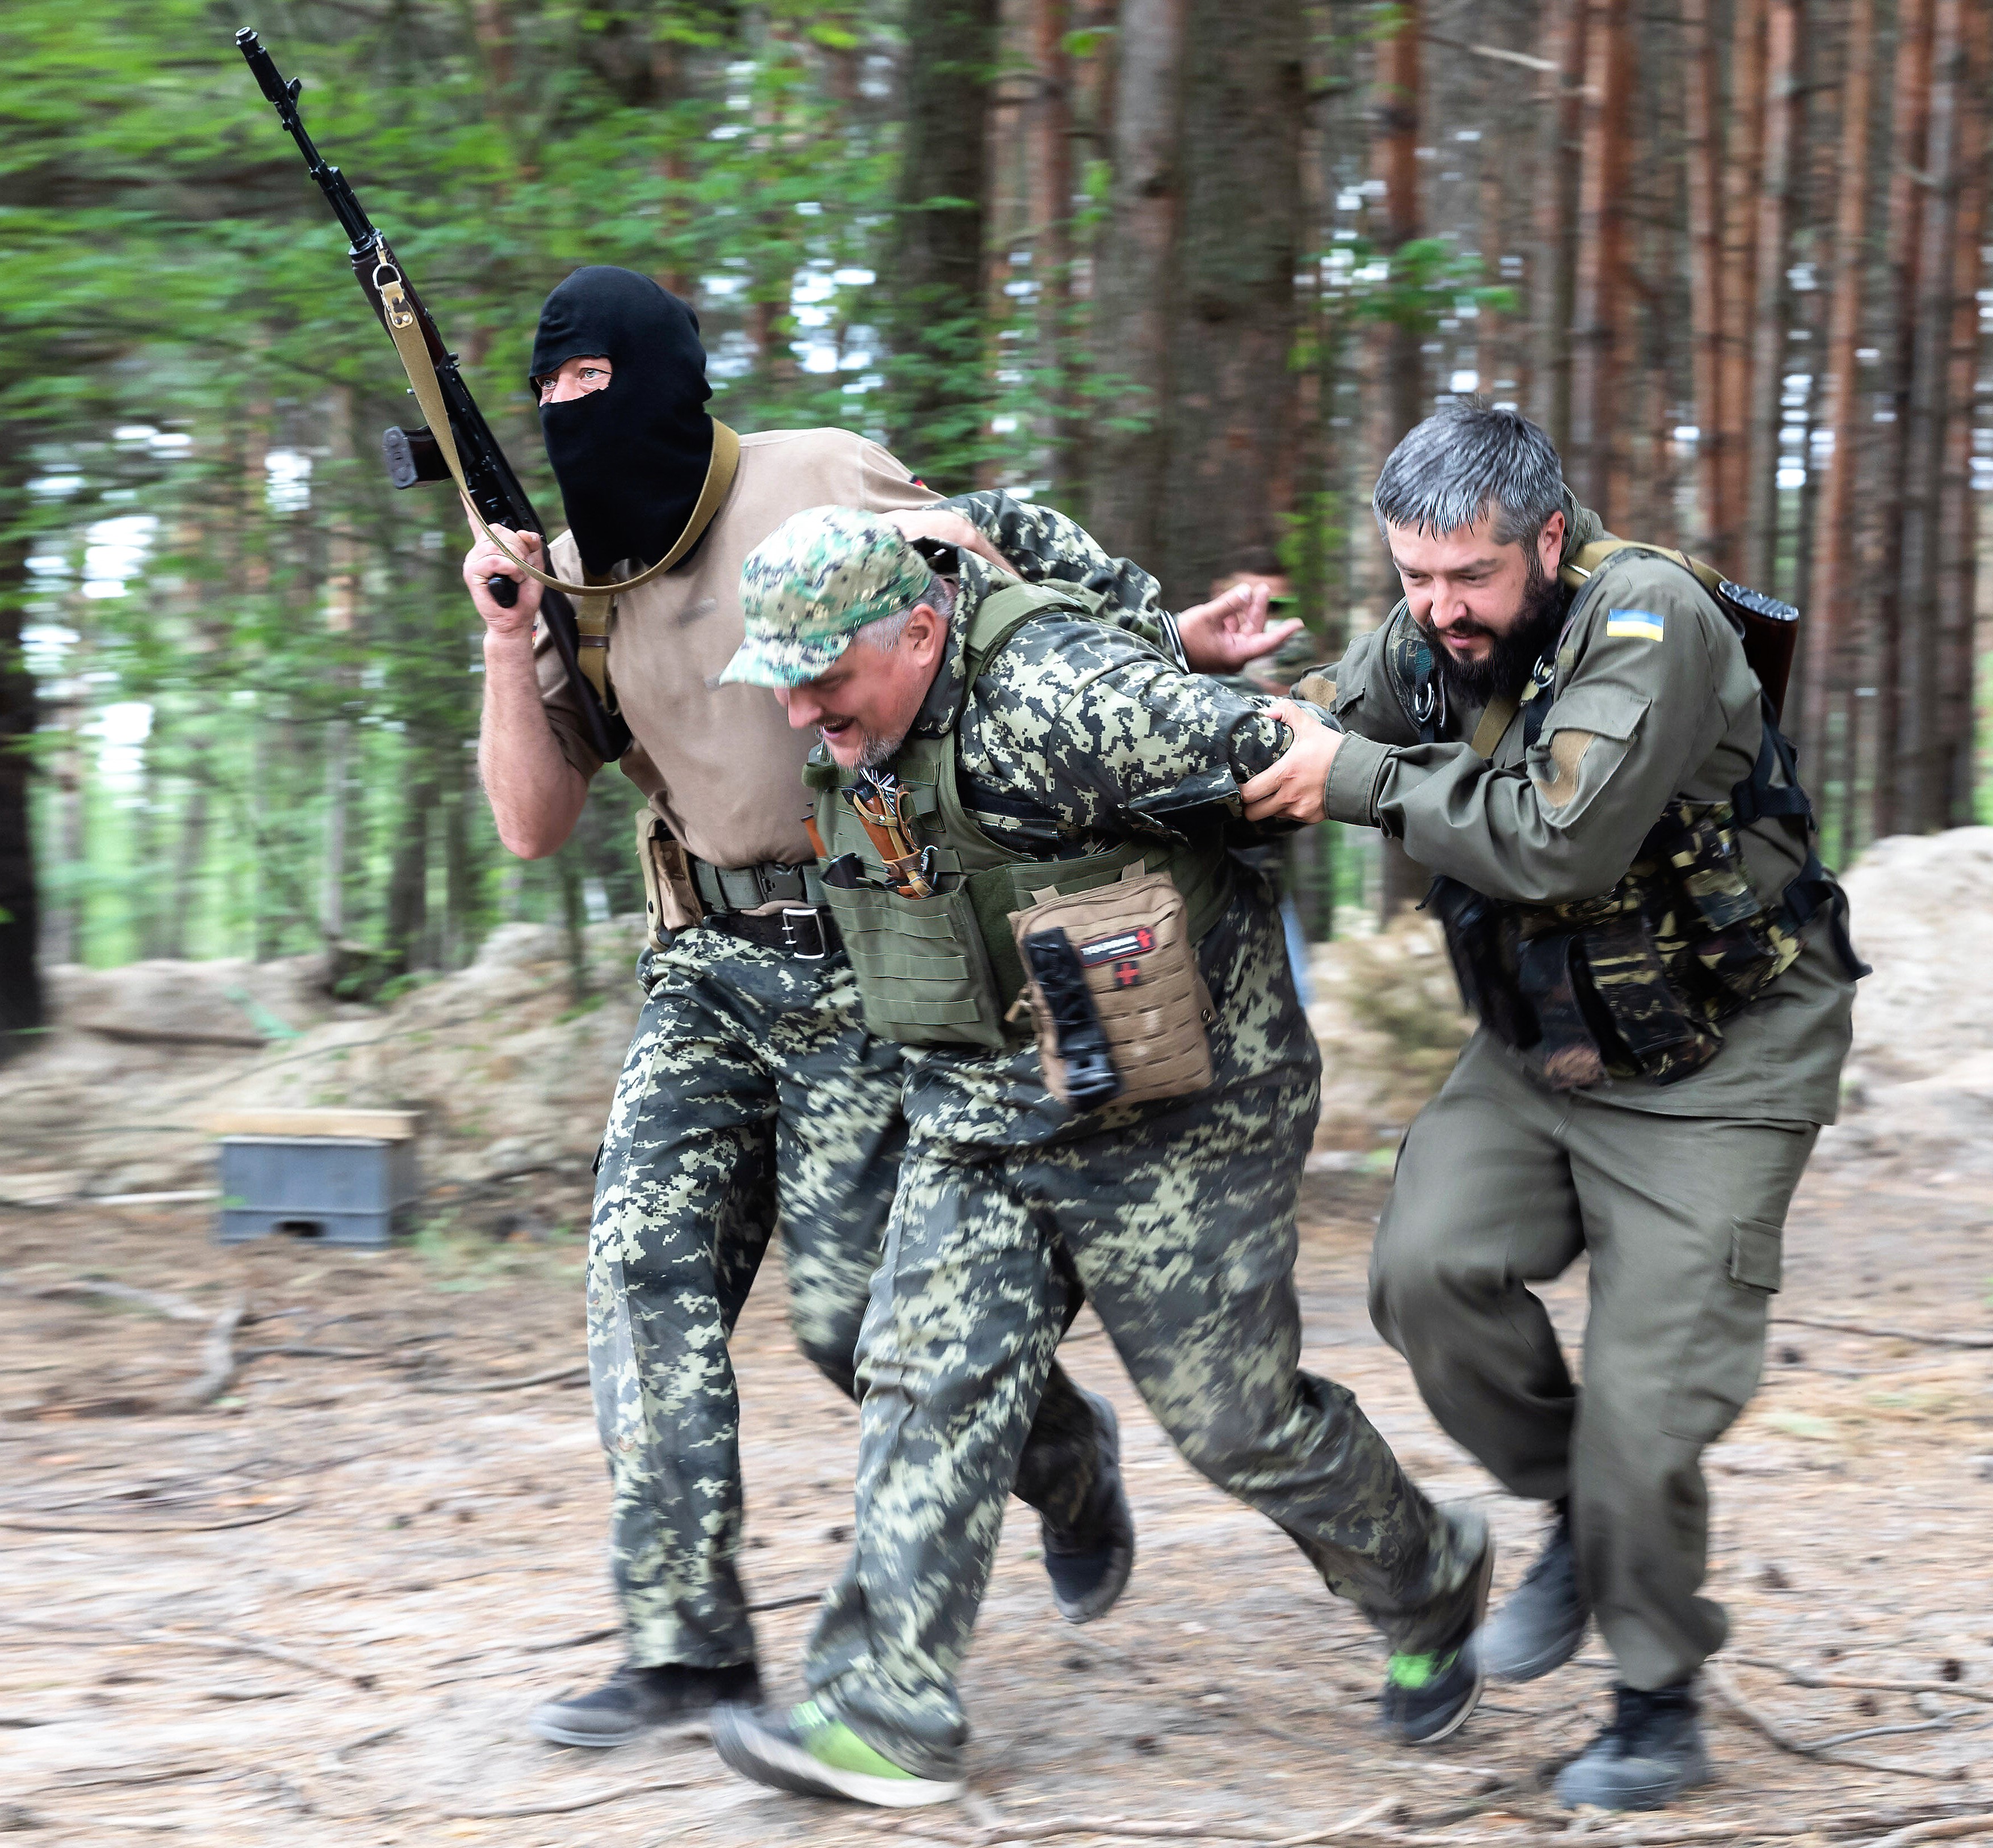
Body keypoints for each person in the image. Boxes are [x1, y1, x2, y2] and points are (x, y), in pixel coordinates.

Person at [466, 266, 1201, 1749]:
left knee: (850, 1313)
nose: (590, 452)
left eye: (611, 408)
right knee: (640, 1277)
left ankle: (1063, 1454)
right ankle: (687, 1648)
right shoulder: (566, 574)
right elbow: (536, 822)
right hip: (705, 964)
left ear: (684, 395)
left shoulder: (822, 479)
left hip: (872, 951)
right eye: (560, 421)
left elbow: (988, 633)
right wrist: (505, 634)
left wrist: (1164, 668)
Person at [702, 508, 1494, 1809]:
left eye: (826, 681)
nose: (801, 714)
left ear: (917, 635)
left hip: (1184, 1108)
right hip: (988, 1105)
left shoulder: (1066, 702)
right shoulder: (866, 714)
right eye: (781, 684)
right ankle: (882, 1709)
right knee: (921, 1376)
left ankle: (1426, 1578)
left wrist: (1482, 752)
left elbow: (1291, 745)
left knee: (1233, 1423)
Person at [1236, 401, 1860, 1812]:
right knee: (1423, 1275)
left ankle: (1656, 1700)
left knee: (1647, 1414)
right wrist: (1225, 708)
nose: (1441, 609)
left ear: (1549, 539)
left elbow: (1556, 840)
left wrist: (1355, 779)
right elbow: (1325, 725)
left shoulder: (1646, 621)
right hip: (1545, 1040)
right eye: (1413, 574)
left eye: (1471, 577)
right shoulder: (1429, 638)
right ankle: (1578, 1507)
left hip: (1722, 1057)